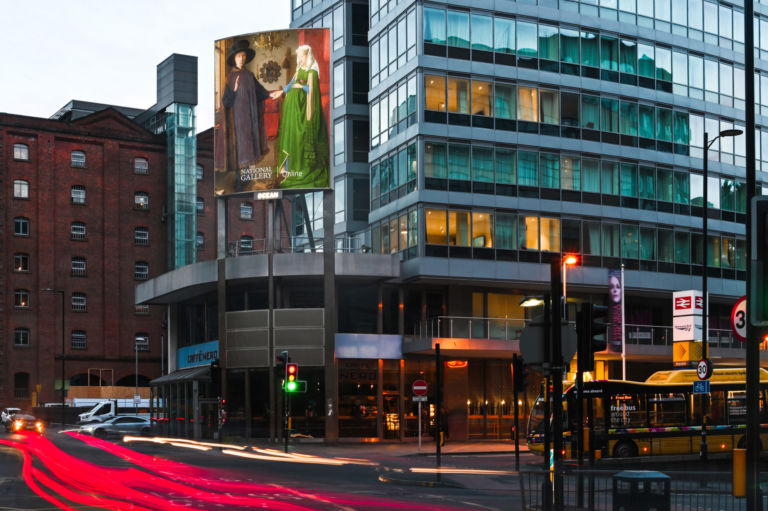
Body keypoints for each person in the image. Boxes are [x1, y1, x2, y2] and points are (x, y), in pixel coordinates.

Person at [270, 44, 329, 189]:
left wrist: (301, 87)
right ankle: (288, 171)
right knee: (290, 138)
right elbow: (291, 84)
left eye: (302, 56)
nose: (300, 59)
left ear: (308, 56)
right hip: (292, 110)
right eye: (299, 56)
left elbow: (312, 91)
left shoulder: (312, 73)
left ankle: (298, 169)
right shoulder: (299, 70)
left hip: (302, 111)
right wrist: (281, 93)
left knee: (299, 138)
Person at [216, 39, 272, 188]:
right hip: (236, 122)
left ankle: (246, 178)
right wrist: (234, 90)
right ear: (234, 58)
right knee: (238, 151)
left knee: (247, 149)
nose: (241, 59)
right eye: (239, 56)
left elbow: (260, 91)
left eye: (243, 56)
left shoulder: (249, 75)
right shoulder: (229, 78)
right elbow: (226, 102)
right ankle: (238, 182)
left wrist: (271, 94)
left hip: (248, 119)